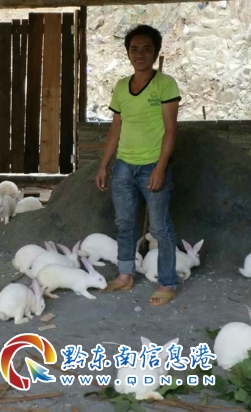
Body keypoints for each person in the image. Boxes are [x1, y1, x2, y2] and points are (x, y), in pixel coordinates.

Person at [94, 24, 181, 306]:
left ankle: (167, 283)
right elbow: (115, 128)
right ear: (128, 53)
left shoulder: (165, 84)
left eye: (146, 49)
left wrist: (160, 167)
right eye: (134, 49)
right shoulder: (121, 86)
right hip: (123, 165)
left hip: (151, 165)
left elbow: (171, 129)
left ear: (155, 53)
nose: (140, 54)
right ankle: (125, 275)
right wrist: (104, 165)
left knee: (160, 227)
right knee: (124, 223)